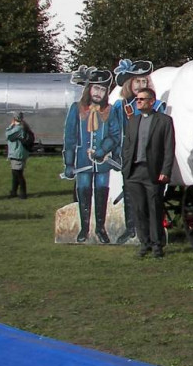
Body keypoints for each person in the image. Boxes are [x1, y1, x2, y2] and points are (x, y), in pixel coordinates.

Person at [63, 67, 121, 244]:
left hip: (102, 163)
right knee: (84, 191)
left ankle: (100, 228)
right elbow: (70, 137)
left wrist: (103, 150)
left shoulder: (110, 111)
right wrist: (68, 163)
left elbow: (115, 135)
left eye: (102, 89)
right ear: (89, 89)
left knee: (102, 191)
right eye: (96, 88)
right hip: (82, 161)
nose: (98, 93)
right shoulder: (76, 108)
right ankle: (85, 228)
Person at [112, 58, 166, 244]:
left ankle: (155, 240)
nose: (141, 84)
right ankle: (132, 228)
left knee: (152, 203)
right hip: (129, 159)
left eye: (145, 81)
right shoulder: (121, 106)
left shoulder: (158, 108)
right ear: (130, 83)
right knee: (131, 197)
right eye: (138, 81)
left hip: (149, 161)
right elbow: (116, 130)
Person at [120, 87, 176, 259]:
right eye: (137, 99)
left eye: (142, 99)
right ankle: (144, 243)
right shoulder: (132, 121)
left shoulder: (164, 121)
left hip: (152, 171)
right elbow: (127, 146)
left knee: (154, 208)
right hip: (133, 172)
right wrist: (125, 168)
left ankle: (157, 245)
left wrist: (165, 170)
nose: (138, 102)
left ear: (152, 101)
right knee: (139, 209)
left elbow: (169, 148)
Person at [5, 111, 32, 199]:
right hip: (20, 152)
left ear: (14, 118)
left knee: (18, 174)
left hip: (17, 153)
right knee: (15, 173)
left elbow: (8, 135)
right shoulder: (23, 127)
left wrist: (10, 126)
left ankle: (23, 193)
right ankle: (14, 191)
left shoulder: (17, 128)